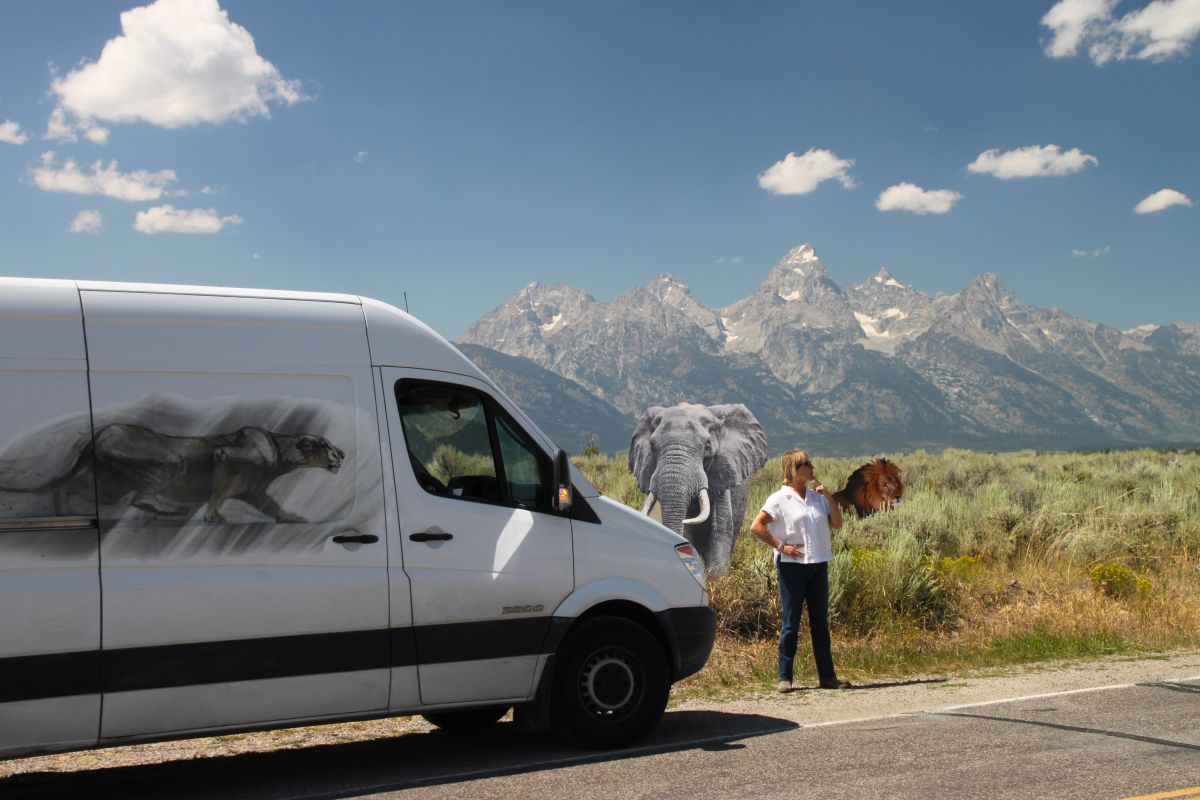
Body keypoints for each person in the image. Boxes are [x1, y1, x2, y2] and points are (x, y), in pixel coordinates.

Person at [750, 449, 851, 693]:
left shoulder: (817, 498)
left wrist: (828, 496)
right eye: (806, 463)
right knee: (790, 623)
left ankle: (827, 677)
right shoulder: (779, 499)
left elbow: (836, 524)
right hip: (791, 568)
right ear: (793, 470)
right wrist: (781, 546)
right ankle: (785, 677)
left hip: (818, 564)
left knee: (820, 623)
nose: (811, 466)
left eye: (809, 462)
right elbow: (757, 526)